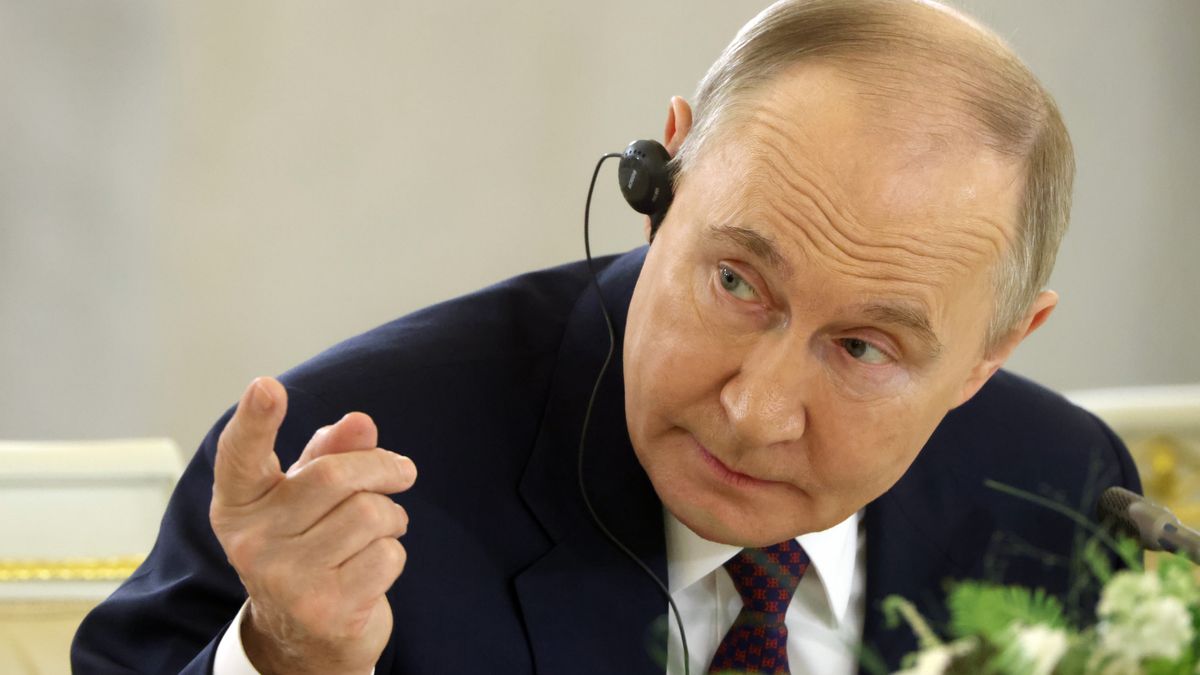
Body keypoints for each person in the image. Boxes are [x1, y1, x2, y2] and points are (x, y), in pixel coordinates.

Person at [72, 1, 1142, 673]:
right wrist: (287, 660)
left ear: (995, 349)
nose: (754, 411)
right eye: (736, 281)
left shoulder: (1057, 489)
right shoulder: (348, 468)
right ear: (661, 184)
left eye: (863, 348)